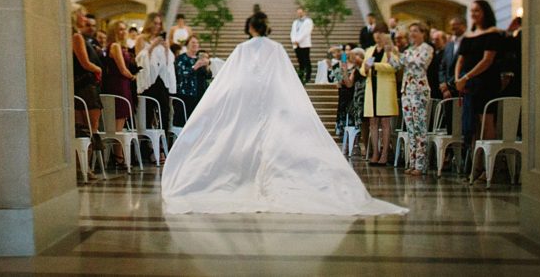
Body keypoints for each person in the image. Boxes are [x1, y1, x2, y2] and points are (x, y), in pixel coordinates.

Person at [161, 12, 407, 216]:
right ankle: (265, 175)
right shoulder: (276, 48)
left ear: (251, 28)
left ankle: (250, 176)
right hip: (271, 99)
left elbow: (233, 74)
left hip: (250, 99)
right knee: (270, 138)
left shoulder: (244, 48)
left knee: (249, 138)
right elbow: (284, 76)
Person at [455, 0, 505, 177]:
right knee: (473, 125)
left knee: (486, 123)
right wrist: (458, 79)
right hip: (468, 85)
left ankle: (487, 167)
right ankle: (475, 166)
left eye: (477, 10)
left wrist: (466, 77)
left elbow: (487, 60)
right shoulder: (469, 35)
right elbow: (460, 59)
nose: (474, 13)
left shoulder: (493, 34)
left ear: (485, 12)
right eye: (472, 10)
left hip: (485, 83)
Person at [390, 21, 434, 176]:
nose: (412, 34)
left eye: (416, 31)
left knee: (420, 127)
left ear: (423, 33)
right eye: (411, 31)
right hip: (407, 91)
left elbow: (420, 64)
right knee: (410, 128)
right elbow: (395, 66)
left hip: (419, 91)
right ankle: (413, 162)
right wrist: (392, 53)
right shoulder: (408, 50)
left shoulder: (427, 49)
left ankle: (421, 164)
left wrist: (401, 56)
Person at [136, 11, 177, 162]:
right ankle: (146, 151)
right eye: (155, 23)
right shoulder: (141, 39)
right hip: (148, 82)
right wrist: (152, 47)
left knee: (165, 113)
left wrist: (166, 49)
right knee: (147, 116)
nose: (157, 26)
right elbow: (139, 59)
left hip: (161, 81)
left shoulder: (163, 41)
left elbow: (168, 63)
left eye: (160, 23)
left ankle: (162, 149)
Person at [101, 20, 138, 166]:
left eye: (124, 29)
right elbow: (122, 69)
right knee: (118, 122)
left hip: (120, 83)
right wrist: (133, 77)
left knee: (120, 122)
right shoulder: (115, 46)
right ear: (113, 31)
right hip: (119, 84)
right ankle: (118, 157)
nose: (123, 32)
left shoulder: (118, 46)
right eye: (120, 29)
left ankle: (118, 155)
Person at [361, 24, 399, 165]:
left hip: (385, 88)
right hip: (372, 87)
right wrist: (364, 69)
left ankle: (384, 153)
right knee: (373, 122)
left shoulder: (391, 49)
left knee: (385, 121)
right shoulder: (370, 50)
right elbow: (363, 68)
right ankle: (375, 152)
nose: (378, 36)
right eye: (376, 33)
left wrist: (375, 66)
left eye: (381, 33)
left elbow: (393, 67)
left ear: (386, 35)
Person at [71, 4, 103, 156]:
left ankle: (83, 166)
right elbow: (85, 63)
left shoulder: (77, 36)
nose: (84, 18)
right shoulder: (76, 37)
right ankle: (87, 166)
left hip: (80, 85)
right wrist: (98, 69)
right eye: (81, 15)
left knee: (82, 128)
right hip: (86, 86)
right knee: (91, 128)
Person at [174, 35, 211, 119]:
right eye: (193, 42)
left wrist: (207, 66)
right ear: (187, 45)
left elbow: (208, 76)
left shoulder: (200, 58)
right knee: (186, 118)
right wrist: (195, 66)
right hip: (187, 93)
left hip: (200, 92)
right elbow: (182, 74)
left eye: (197, 43)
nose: (195, 44)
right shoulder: (182, 58)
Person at [290, 6, 314, 83]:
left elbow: (306, 32)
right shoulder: (295, 22)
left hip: (304, 44)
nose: (299, 14)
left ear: (304, 12)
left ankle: (308, 76)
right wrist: (293, 40)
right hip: (296, 44)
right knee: (300, 61)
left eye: (301, 12)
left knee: (306, 60)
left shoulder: (308, 21)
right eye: (298, 13)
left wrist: (298, 40)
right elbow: (292, 32)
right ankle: (301, 76)